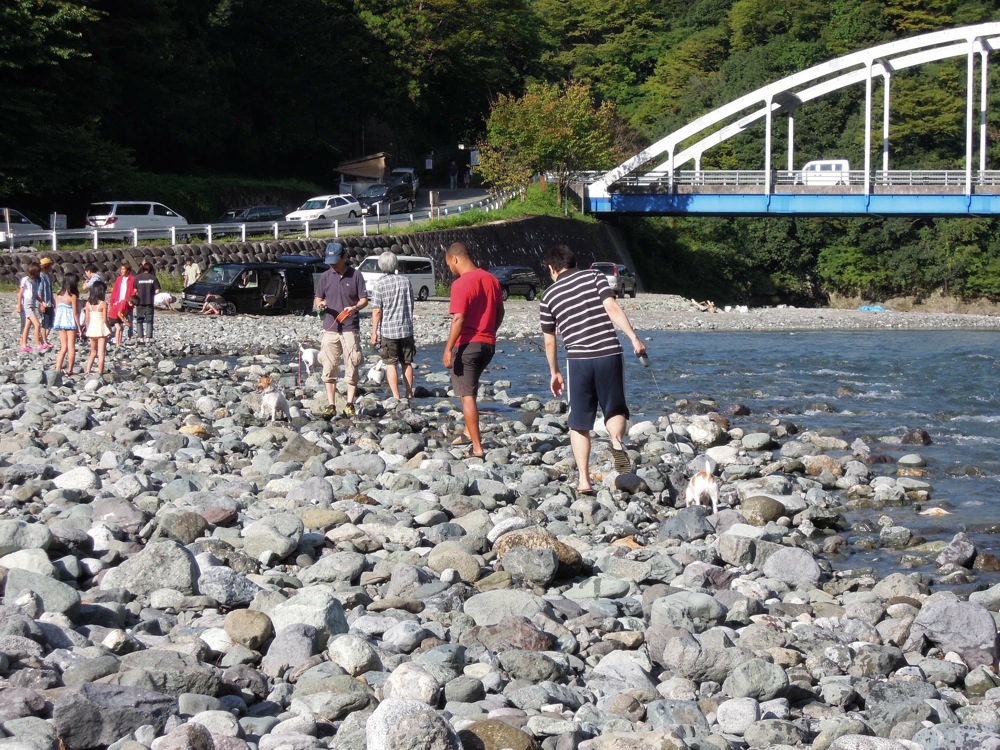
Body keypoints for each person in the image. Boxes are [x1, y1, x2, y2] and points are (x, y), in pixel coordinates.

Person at [539, 244, 647, 494]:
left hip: (578, 359)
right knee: (615, 408)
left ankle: (584, 481)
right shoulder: (595, 276)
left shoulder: (548, 296)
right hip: (609, 352)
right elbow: (612, 309)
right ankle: (616, 442)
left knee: (579, 421)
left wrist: (554, 371)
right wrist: (633, 338)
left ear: (552, 268)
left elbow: (549, 340)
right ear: (574, 262)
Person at [443, 241, 504, 458]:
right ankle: (468, 432)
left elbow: (458, 318)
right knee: (470, 388)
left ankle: (477, 447)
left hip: (467, 345)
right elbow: (500, 311)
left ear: (455, 259)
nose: (450, 268)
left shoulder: (460, 284)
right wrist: (491, 331)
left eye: (449, 264)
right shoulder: (491, 279)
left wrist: (448, 349)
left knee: (466, 395)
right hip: (488, 345)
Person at [314, 241, 367, 418]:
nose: (333, 265)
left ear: (344, 257)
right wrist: (320, 304)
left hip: (350, 327)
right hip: (330, 327)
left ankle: (350, 403)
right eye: (330, 261)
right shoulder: (325, 277)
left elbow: (364, 299)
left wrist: (355, 308)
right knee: (329, 366)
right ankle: (331, 404)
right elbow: (318, 298)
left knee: (352, 364)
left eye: (336, 261)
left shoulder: (356, 275)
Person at [369, 251, 416, 402]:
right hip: (406, 328)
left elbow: (377, 311)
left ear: (380, 265)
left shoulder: (379, 284)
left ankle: (396, 396)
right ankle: (409, 394)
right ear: (395, 264)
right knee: (406, 362)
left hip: (389, 331)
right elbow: (411, 304)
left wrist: (374, 332)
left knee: (391, 364)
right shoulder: (406, 281)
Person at [53, 272, 82, 375]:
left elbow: (56, 310)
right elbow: (75, 313)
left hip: (60, 322)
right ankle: (70, 369)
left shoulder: (58, 295)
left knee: (63, 347)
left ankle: (57, 368)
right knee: (71, 347)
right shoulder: (72, 296)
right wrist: (79, 326)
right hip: (70, 322)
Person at [83, 280, 111, 375]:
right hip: (101, 329)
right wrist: (109, 329)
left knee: (93, 352)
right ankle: (100, 372)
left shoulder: (88, 304)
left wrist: (87, 329)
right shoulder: (103, 304)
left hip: (92, 329)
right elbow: (105, 319)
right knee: (101, 353)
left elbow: (87, 319)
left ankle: (88, 371)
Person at [17, 262, 42, 353]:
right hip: (27, 304)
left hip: (32, 304)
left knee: (27, 325)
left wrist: (42, 302)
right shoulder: (26, 280)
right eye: (37, 271)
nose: (38, 273)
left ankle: (24, 344)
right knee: (37, 324)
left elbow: (35, 295)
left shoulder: (35, 281)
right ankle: (38, 344)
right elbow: (20, 294)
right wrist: (19, 305)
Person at [109, 262, 136, 345]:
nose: (122, 271)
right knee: (116, 319)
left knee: (129, 318)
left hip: (127, 302)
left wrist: (131, 300)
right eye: (121, 269)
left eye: (123, 269)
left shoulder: (132, 279)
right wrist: (112, 301)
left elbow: (133, 290)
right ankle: (115, 337)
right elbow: (115, 291)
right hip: (118, 301)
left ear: (128, 270)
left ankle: (129, 335)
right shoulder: (119, 279)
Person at [134, 261, 160, 343]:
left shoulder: (137, 278)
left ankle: (141, 338)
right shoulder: (153, 278)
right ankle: (148, 337)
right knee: (149, 320)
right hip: (149, 302)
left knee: (139, 320)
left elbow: (135, 290)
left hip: (139, 302)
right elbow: (157, 291)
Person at [37, 257, 55, 350]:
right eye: (50, 266)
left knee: (50, 322)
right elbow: (40, 292)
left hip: (49, 302)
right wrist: (42, 304)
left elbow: (49, 291)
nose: (51, 267)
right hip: (45, 303)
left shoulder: (47, 275)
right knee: (45, 324)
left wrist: (53, 300)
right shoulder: (41, 276)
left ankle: (44, 339)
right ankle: (43, 341)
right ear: (46, 267)